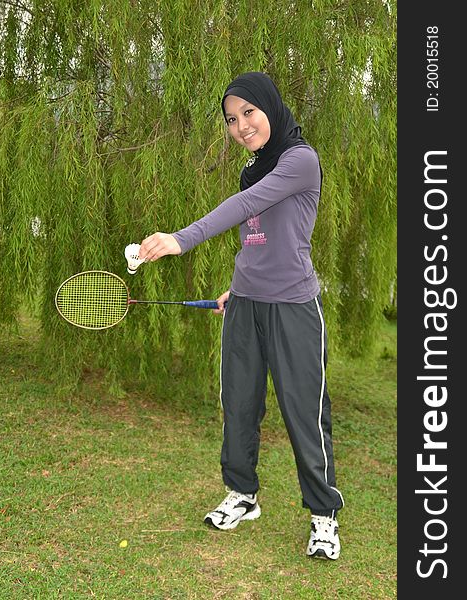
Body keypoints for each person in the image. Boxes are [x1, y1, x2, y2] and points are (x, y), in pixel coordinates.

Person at [139, 71, 344, 560]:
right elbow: (257, 235)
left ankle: (323, 515)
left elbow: (246, 205)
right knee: (239, 405)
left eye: (248, 113)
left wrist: (180, 239)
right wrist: (238, 288)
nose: (241, 126)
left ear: (270, 108)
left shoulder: (300, 160)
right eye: (232, 120)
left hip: (293, 306)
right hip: (245, 303)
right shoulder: (252, 168)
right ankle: (242, 495)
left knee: (304, 413)